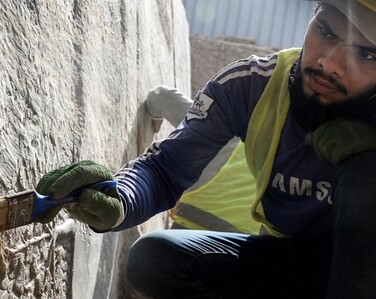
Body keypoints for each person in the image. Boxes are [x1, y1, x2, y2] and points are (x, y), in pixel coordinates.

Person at [35, 0, 376, 298]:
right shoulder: (251, 86)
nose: (331, 63)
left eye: (366, 53)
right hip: (285, 259)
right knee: (153, 261)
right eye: (327, 32)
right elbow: (166, 168)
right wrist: (119, 197)